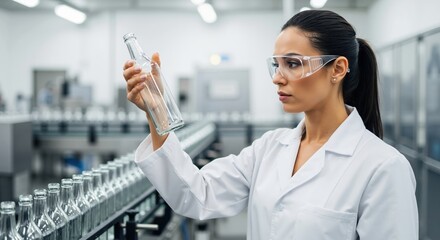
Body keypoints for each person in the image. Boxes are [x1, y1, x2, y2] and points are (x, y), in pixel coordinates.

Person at [123, 10, 418, 240]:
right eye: (276, 64)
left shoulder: (382, 167)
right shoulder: (271, 147)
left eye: (293, 63)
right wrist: (157, 111)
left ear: (337, 69)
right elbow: (196, 194)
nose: (278, 77)